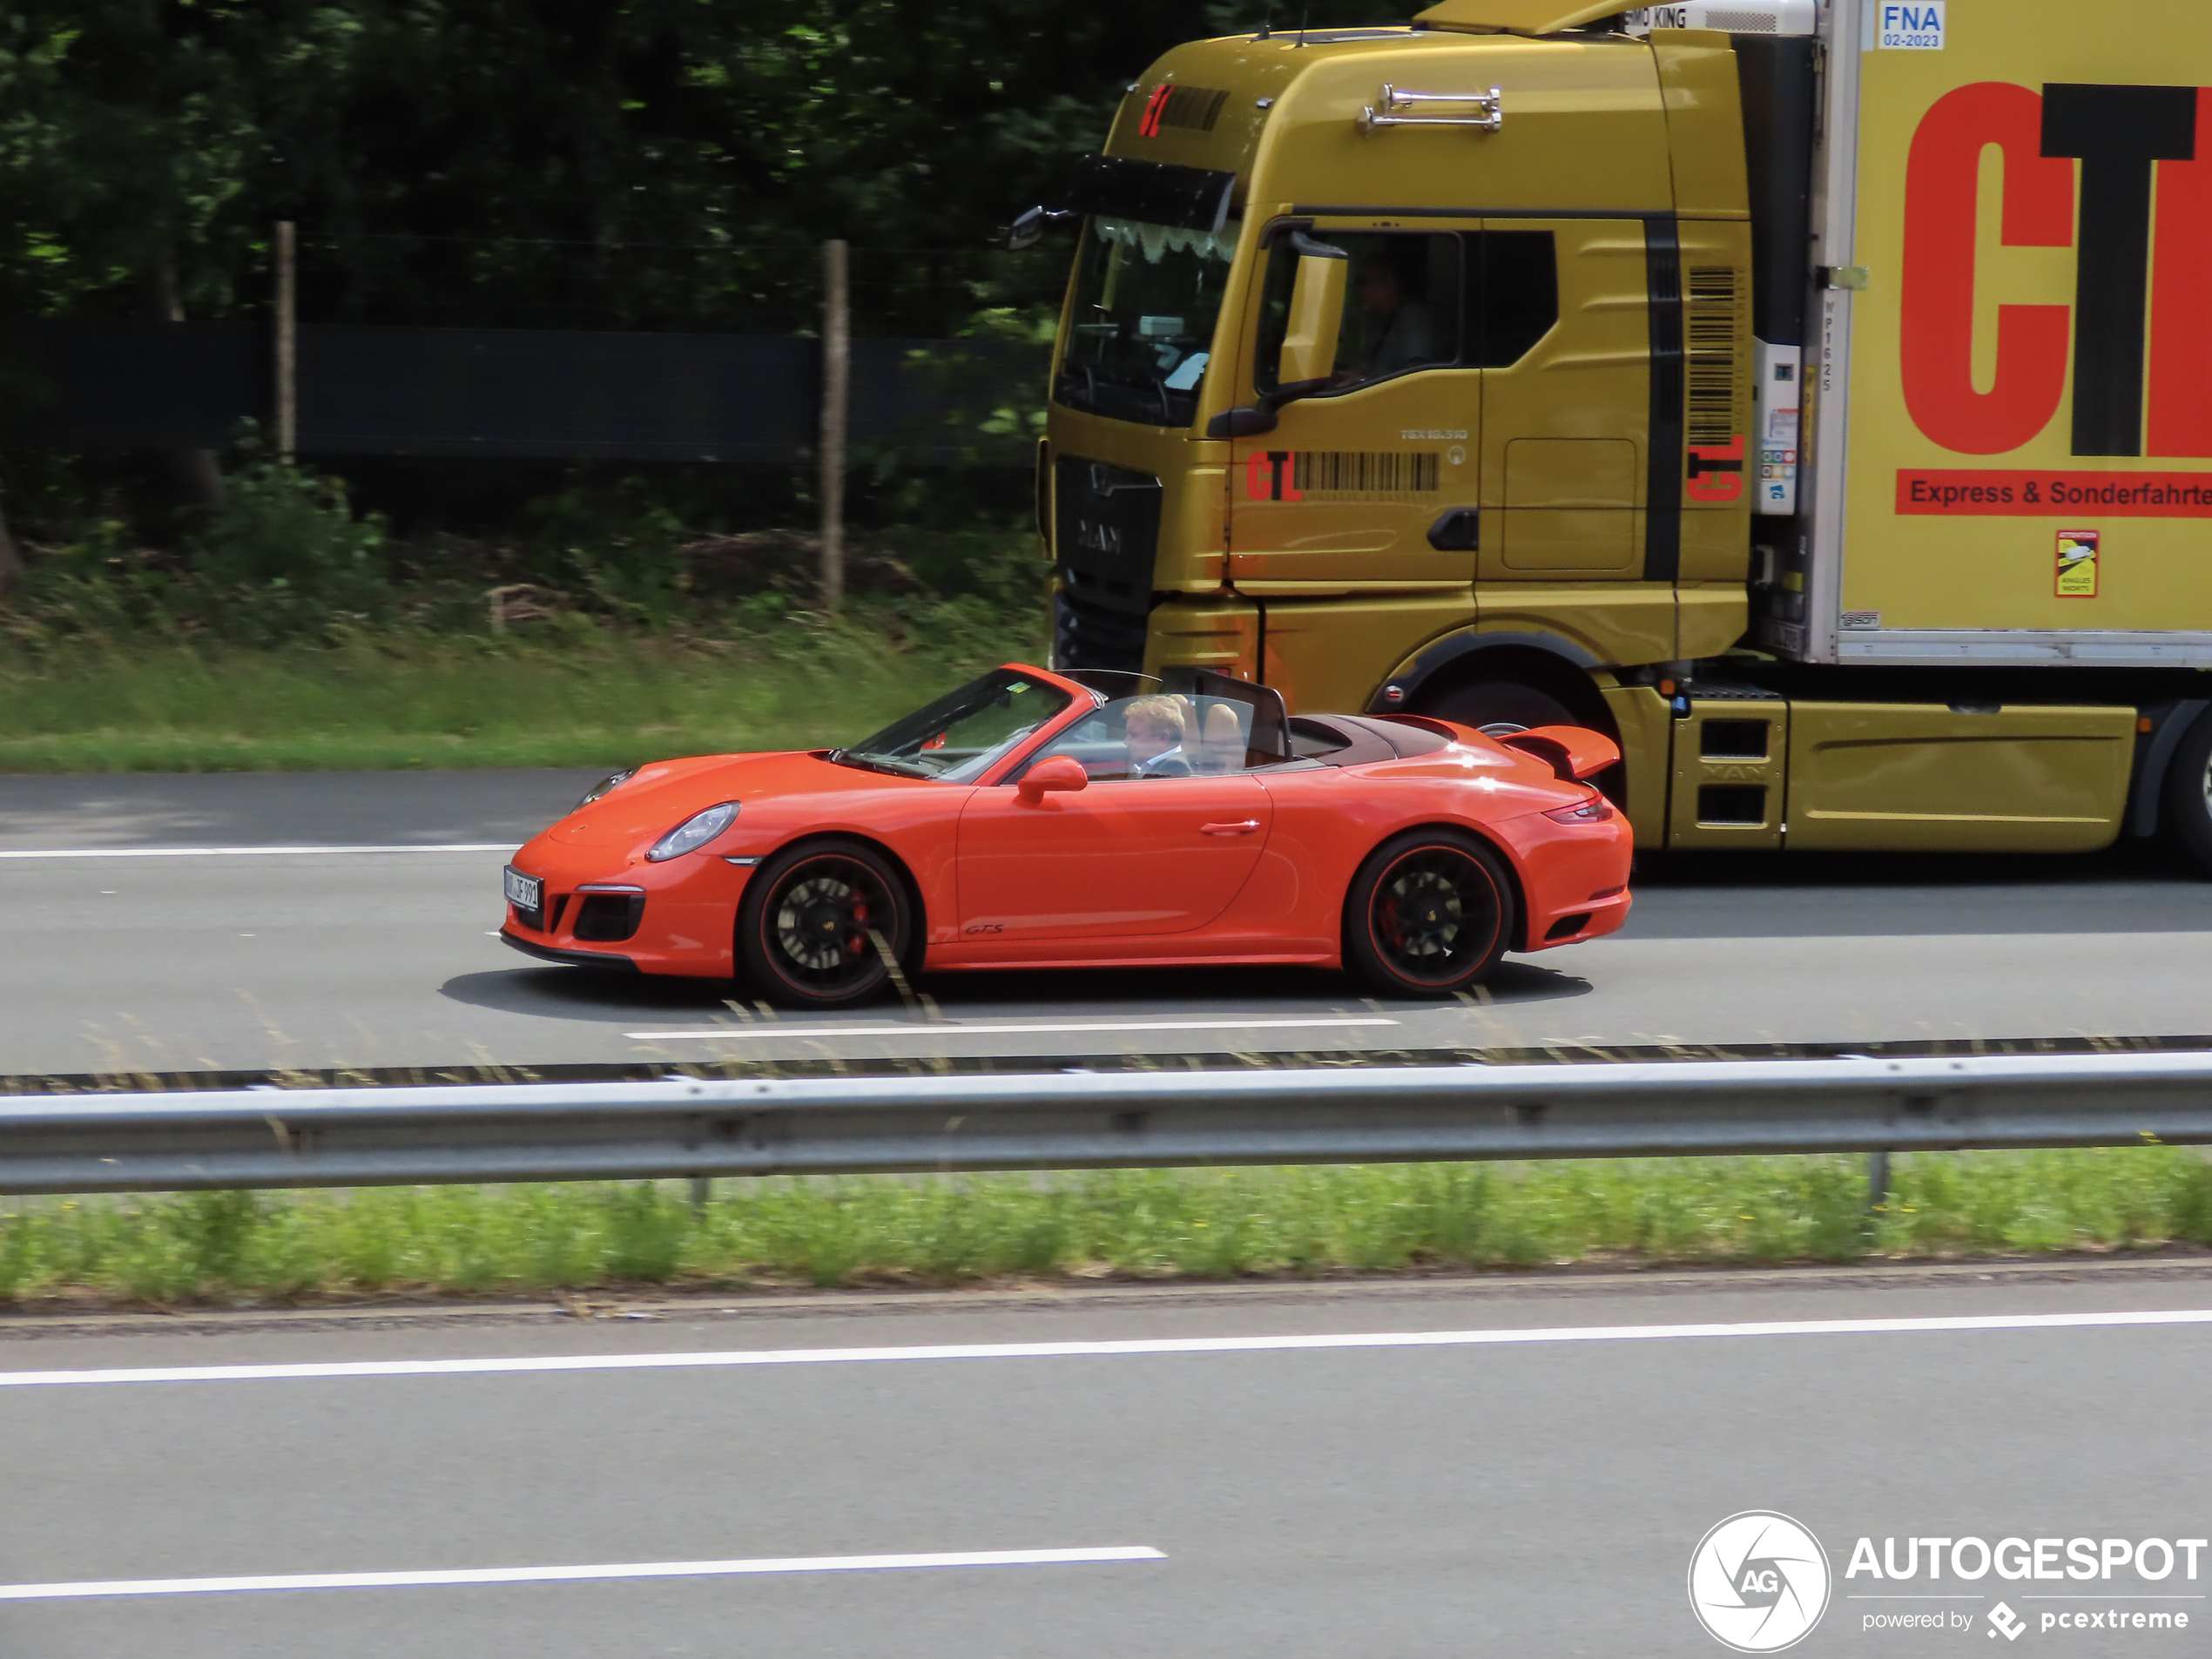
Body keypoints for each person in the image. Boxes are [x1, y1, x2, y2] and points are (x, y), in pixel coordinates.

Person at [1352, 249, 1447, 379]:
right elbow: (1374, 369)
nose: (1357, 290)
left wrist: (1364, 381)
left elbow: (1415, 375)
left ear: (1387, 285)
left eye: (1362, 282)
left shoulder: (1413, 318)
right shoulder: (1380, 318)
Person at [1123, 696, 1191, 778]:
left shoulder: (1172, 769)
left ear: (1163, 739)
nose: (1126, 741)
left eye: (1134, 734)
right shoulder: (1147, 767)